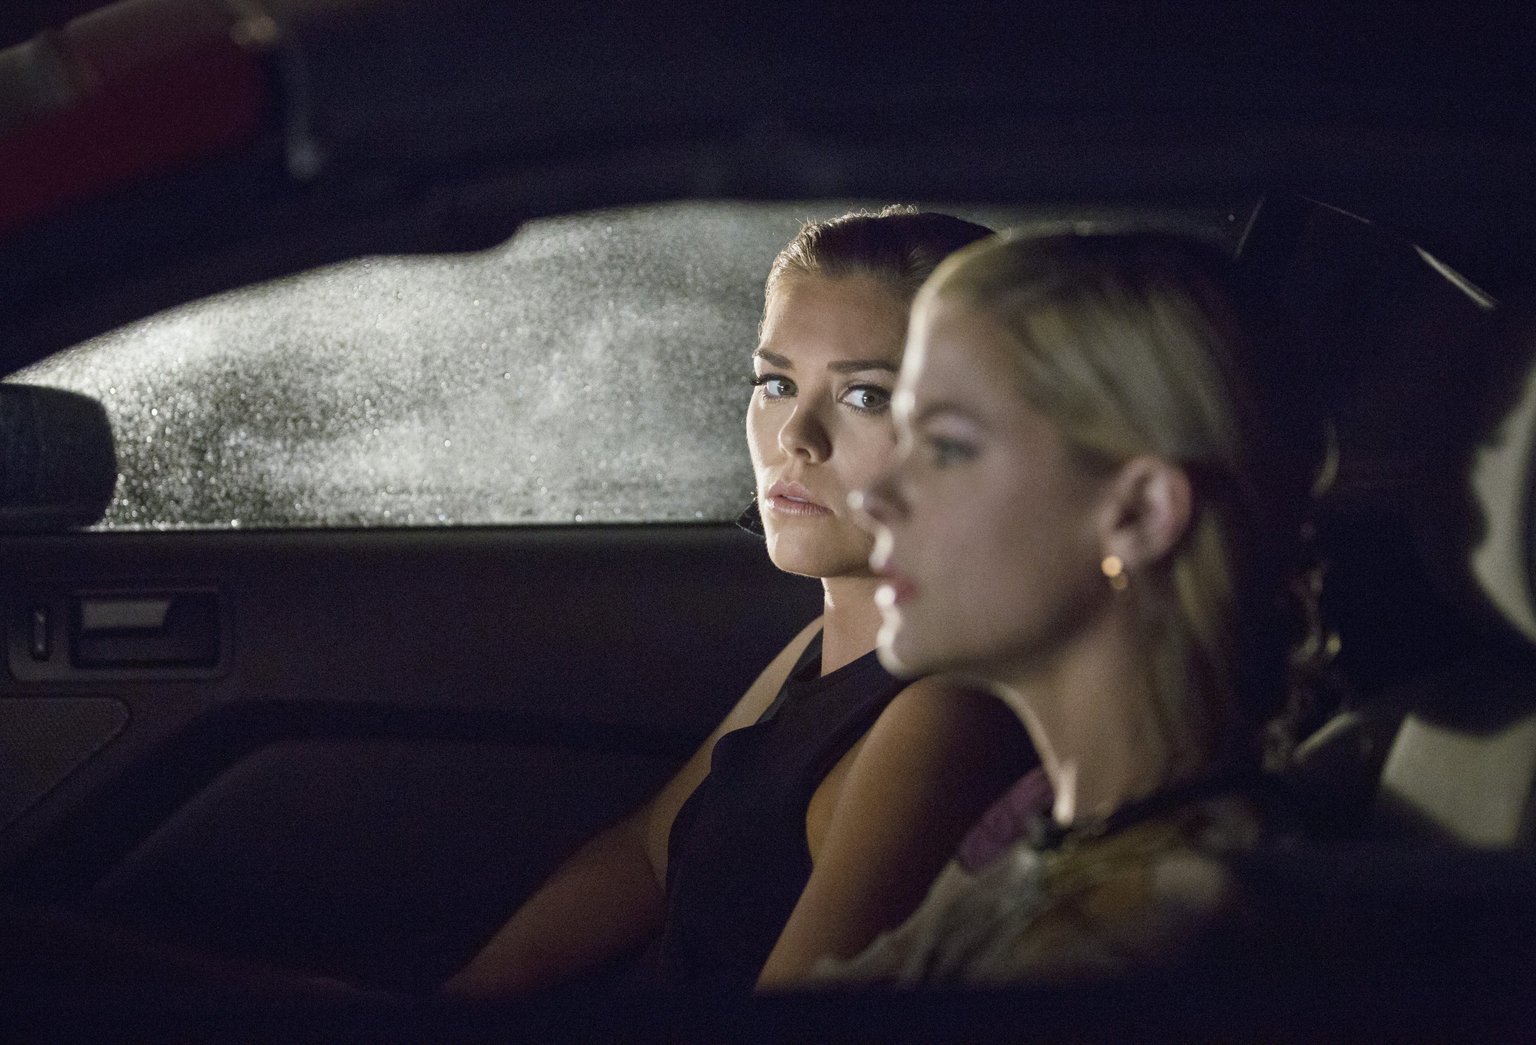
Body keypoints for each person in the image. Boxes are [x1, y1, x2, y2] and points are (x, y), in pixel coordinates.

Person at [445, 208, 1035, 997]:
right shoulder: (823, 644)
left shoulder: (946, 712)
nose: (796, 436)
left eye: (865, 396)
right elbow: (650, 853)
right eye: (777, 384)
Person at [815, 230, 1297, 985]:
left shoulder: (1139, 940)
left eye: (947, 446)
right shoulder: (1063, 837)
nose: (872, 498)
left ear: (1139, 512)